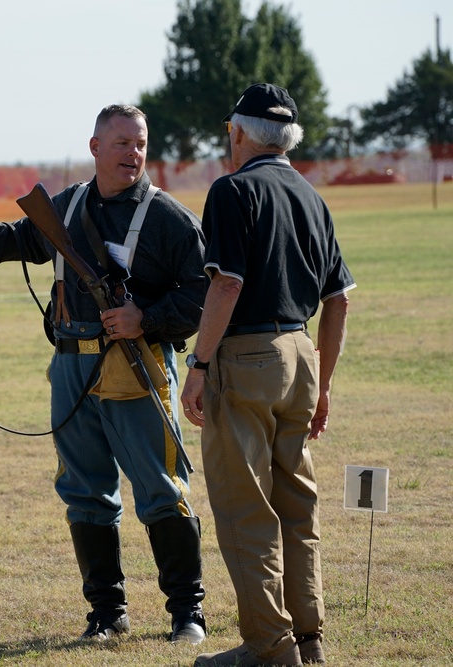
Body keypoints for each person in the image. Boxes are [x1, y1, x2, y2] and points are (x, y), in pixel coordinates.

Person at [0, 105, 208, 644]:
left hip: (137, 363)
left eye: (140, 143)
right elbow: (24, 239)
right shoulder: (68, 204)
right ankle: (106, 613)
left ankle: (186, 613)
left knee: (161, 488)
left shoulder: (169, 218)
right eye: (121, 142)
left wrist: (144, 318)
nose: (134, 153)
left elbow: (202, 295)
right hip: (70, 364)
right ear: (96, 147)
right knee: (84, 490)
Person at [180, 83, 355, 667]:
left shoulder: (232, 190)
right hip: (301, 355)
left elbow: (225, 284)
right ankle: (310, 640)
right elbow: (340, 300)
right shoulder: (311, 194)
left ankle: (268, 647)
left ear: (237, 133)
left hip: (248, 359)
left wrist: (200, 364)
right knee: (297, 508)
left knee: (245, 508)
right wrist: (324, 384)